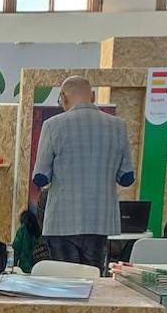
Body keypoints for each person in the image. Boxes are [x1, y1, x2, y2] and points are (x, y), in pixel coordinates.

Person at [31, 75, 135, 273]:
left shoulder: (53, 125)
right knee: (93, 282)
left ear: (63, 96)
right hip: (99, 221)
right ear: (93, 96)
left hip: (61, 220)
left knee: (65, 282)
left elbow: (40, 176)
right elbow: (126, 177)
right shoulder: (117, 126)